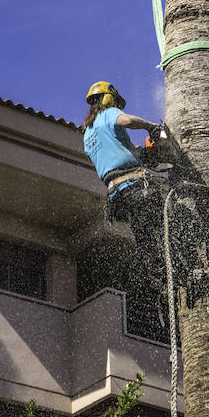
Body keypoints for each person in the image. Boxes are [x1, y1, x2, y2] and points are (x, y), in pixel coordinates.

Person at [80, 80, 166, 323]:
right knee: (168, 223)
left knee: (146, 240)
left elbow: (117, 154)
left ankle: (159, 282)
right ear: (109, 99)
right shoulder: (109, 114)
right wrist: (152, 127)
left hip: (118, 196)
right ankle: (181, 269)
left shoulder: (87, 133)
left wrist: (143, 154)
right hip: (136, 188)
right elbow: (128, 121)